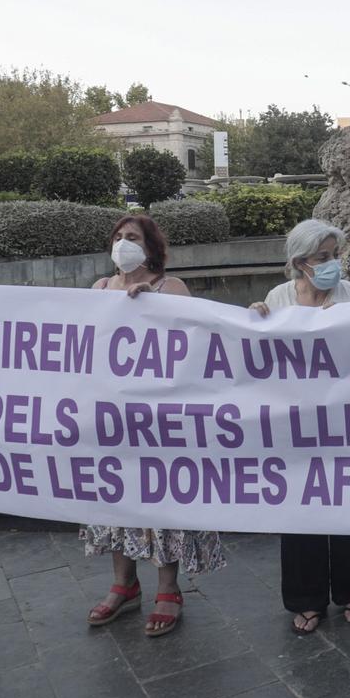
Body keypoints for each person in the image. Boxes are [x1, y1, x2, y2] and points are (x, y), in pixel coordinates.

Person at [80, 214, 223, 636]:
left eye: (133, 237)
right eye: (119, 236)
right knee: (116, 501)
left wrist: (152, 307)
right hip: (112, 420)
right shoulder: (99, 290)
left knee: (162, 503)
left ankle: (168, 589)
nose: (124, 243)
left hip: (161, 422)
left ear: (150, 247)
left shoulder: (170, 288)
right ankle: (123, 586)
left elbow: (197, 342)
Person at [252, 219, 350, 634]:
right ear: (299, 262)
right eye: (322, 257)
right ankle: (306, 599)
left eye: (334, 256)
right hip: (295, 425)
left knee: (347, 505)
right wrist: (254, 322)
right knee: (300, 509)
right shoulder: (279, 297)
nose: (331, 264)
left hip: (343, 422)